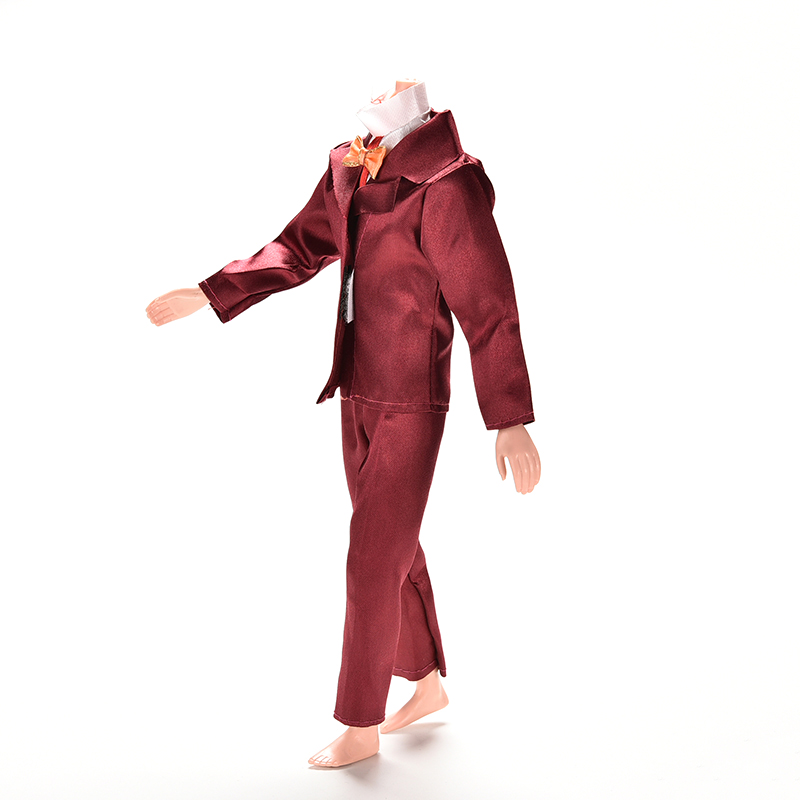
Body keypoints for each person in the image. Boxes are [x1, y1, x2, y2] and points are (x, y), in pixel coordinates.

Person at [146, 80, 541, 768]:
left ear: (418, 97)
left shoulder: (448, 184)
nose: (381, 88)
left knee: (370, 556)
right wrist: (212, 292)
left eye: (397, 81)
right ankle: (426, 682)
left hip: (413, 394)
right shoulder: (350, 166)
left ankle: (359, 723)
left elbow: (488, 304)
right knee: (392, 544)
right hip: (355, 385)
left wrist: (509, 418)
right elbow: (299, 247)